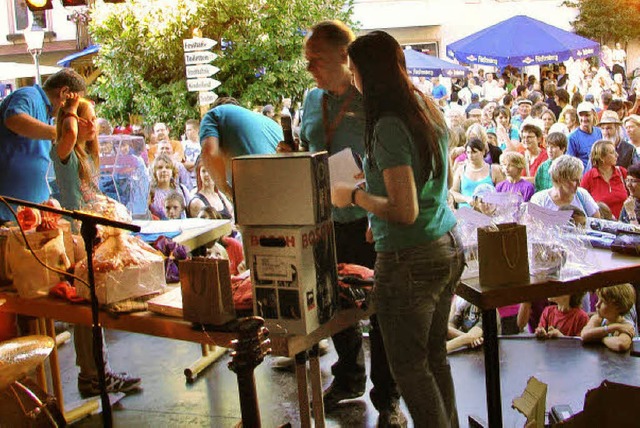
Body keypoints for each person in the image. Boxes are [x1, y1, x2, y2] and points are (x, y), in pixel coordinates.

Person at [334, 30, 465, 427]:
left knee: (409, 368)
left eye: (353, 70)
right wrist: (379, 217)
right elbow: (423, 190)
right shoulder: (424, 107)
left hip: (412, 259)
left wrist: (354, 197)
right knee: (433, 359)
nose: (351, 78)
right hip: (445, 244)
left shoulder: (388, 124)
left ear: (367, 74)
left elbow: (405, 210)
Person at [289, 21, 403, 425]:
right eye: (307, 62)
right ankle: (349, 375)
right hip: (324, 219)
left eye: (315, 59)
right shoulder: (310, 100)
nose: (310, 69)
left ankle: (388, 396)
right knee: (333, 301)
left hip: (370, 219)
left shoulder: (371, 98)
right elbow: (307, 146)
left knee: (380, 308)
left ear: (344, 55)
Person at [51, 94, 141, 396]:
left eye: (92, 117)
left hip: (94, 232)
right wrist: (72, 108)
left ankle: (97, 372)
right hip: (78, 235)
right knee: (86, 308)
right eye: (83, 118)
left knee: (94, 308)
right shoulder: (63, 152)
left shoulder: (87, 155)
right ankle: (93, 376)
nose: (90, 123)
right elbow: (70, 133)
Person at [0, 68, 86, 222]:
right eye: (72, 99)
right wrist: (56, 132)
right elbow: (13, 118)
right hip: (6, 213)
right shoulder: (29, 95)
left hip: (29, 214)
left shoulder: (47, 115)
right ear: (64, 92)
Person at [200, 97, 281, 200]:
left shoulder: (214, 114)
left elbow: (210, 153)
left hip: (258, 193)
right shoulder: (269, 123)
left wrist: (227, 191)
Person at [530, 155, 601, 217]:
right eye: (574, 180)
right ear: (559, 179)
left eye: (579, 179)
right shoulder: (540, 200)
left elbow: (596, 223)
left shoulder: (582, 195)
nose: (579, 184)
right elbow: (532, 227)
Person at [581, 283, 636, 352]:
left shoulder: (626, 326)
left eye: (603, 302)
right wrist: (614, 327)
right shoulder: (598, 318)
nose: (597, 305)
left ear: (618, 307)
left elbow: (620, 344)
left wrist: (599, 338)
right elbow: (584, 335)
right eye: (598, 300)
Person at [450, 138, 504, 208]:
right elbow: (453, 192)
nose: (470, 156)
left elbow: (502, 194)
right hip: (465, 211)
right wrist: (466, 199)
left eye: (474, 152)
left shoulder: (493, 170)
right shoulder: (461, 170)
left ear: (483, 152)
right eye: (468, 152)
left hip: (487, 211)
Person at [580, 140, 628, 218]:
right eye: (612, 152)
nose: (617, 155)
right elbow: (582, 202)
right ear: (601, 157)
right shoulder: (589, 177)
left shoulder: (622, 173)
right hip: (601, 225)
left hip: (624, 224)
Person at [148, 153, 190, 220]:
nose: (164, 170)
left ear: (172, 171)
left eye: (167, 167)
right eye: (160, 168)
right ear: (154, 172)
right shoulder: (149, 192)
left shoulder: (182, 190)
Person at [567, 102, 603, 169]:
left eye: (587, 115)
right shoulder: (572, 138)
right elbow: (570, 163)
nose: (584, 119)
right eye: (581, 115)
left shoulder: (599, 132)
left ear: (594, 115)